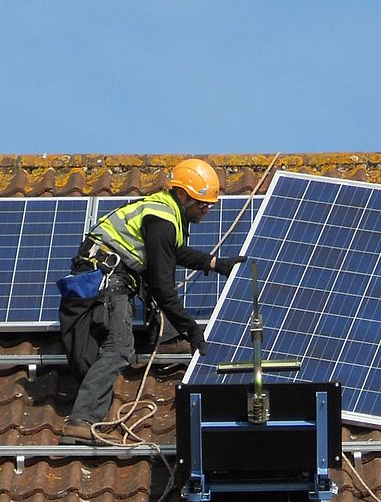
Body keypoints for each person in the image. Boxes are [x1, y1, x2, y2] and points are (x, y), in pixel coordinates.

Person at [59, 158, 245, 443]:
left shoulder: (166, 212)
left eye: (209, 204)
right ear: (181, 195)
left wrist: (215, 263)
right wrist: (192, 328)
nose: (206, 209)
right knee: (120, 347)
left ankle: (164, 336)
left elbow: (173, 253)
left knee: (146, 310)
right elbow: (161, 285)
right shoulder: (161, 220)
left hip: (111, 275)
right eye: (201, 203)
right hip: (105, 280)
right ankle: (81, 420)